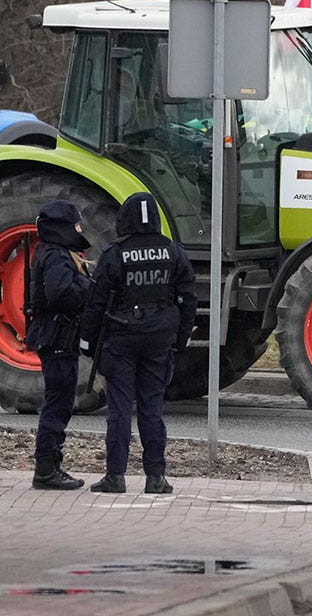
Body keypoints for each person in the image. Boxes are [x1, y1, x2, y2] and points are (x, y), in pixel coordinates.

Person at [79, 192, 196, 495]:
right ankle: (155, 477)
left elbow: (95, 303)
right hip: (160, 340)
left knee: (119, 408)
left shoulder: (114, 253)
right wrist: (180, 339)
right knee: (152, 408)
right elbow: (188, 300)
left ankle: (115, 476)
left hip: (121, 338)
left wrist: (88, 344)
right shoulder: (173, 252)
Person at [28, 201, 93, 490]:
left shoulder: (54, 253)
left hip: (58, 339)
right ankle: (46, 469)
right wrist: (89, 287)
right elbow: (60, 293)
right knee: (57, 404)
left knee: (60, 403)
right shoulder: (56, 256)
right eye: (76, 225)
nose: (80, 230)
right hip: (56, 338)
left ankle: (51, 465)